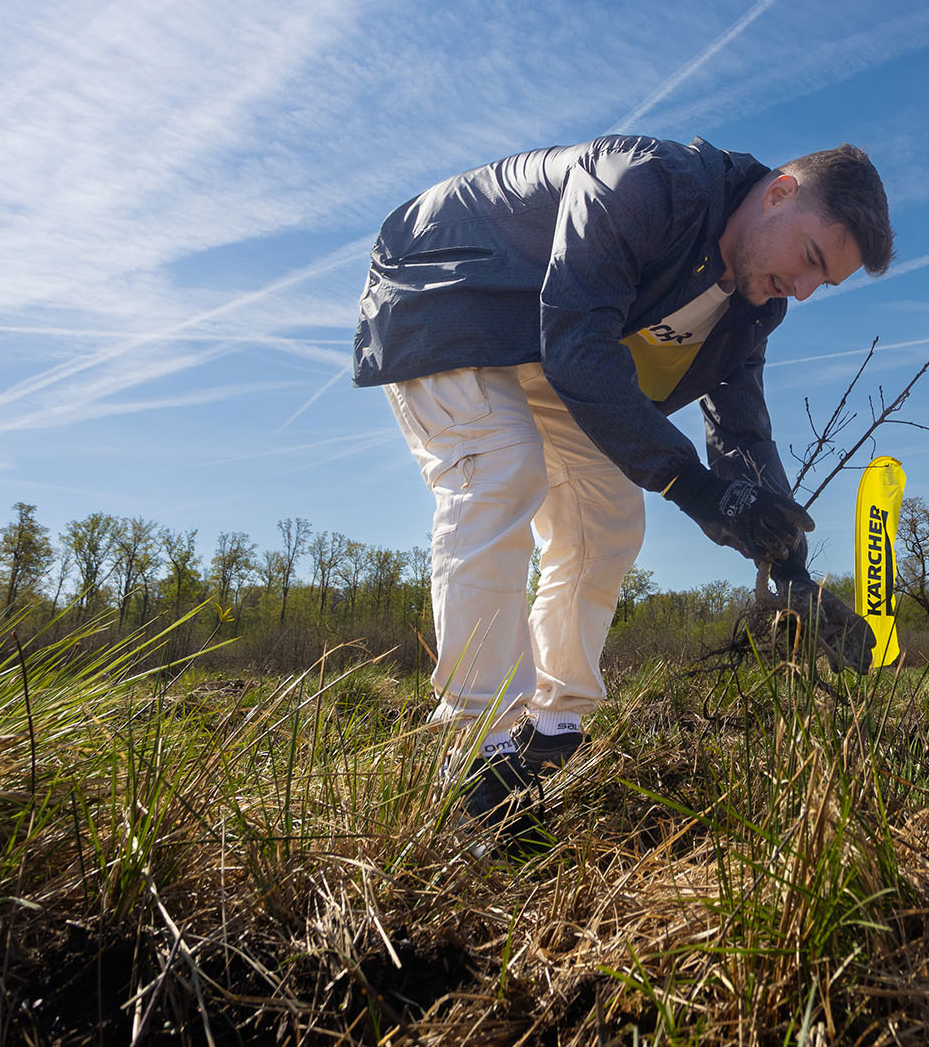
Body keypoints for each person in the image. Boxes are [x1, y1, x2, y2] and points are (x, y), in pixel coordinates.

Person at [353, 135, 892, 830]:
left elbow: (741, 431)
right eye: (812, 258)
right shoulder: (647, 183)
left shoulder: (754, 305)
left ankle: (552, 730)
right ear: (780, 191)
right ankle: (473, 749)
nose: (807, 287)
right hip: (446, 289)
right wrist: (691, 486)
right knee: (503, 468)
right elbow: (578, 341)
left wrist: (790, 568)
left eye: (827, 282)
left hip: (541, 346)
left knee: (608, 517)